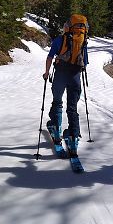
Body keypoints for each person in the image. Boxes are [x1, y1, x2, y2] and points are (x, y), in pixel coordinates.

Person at [43, 14, 89, 157]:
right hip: (75, 77)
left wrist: (46, 73)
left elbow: (50, 57)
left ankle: (57, 132)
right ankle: (73, 138)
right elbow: (85, 62)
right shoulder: (83, 42)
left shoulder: (60, 39)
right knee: (72, 108)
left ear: (68, 27)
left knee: (57, 102)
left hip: (60, 76)